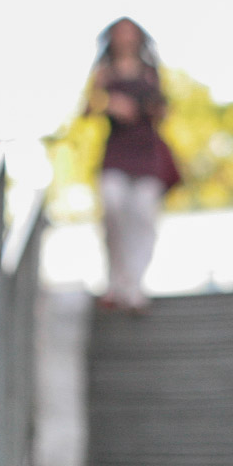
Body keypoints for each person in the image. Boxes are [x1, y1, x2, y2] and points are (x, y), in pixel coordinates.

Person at [85, 17, 178, 313]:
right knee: (112, 212)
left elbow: (165, 110)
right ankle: (116, 284)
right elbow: (86, 110)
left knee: (143, 218)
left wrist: (152, 108)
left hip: (147, 154)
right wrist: (109, 103)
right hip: (116, 153)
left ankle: (134, 287)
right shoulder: (103, 73)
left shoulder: (151, 73)